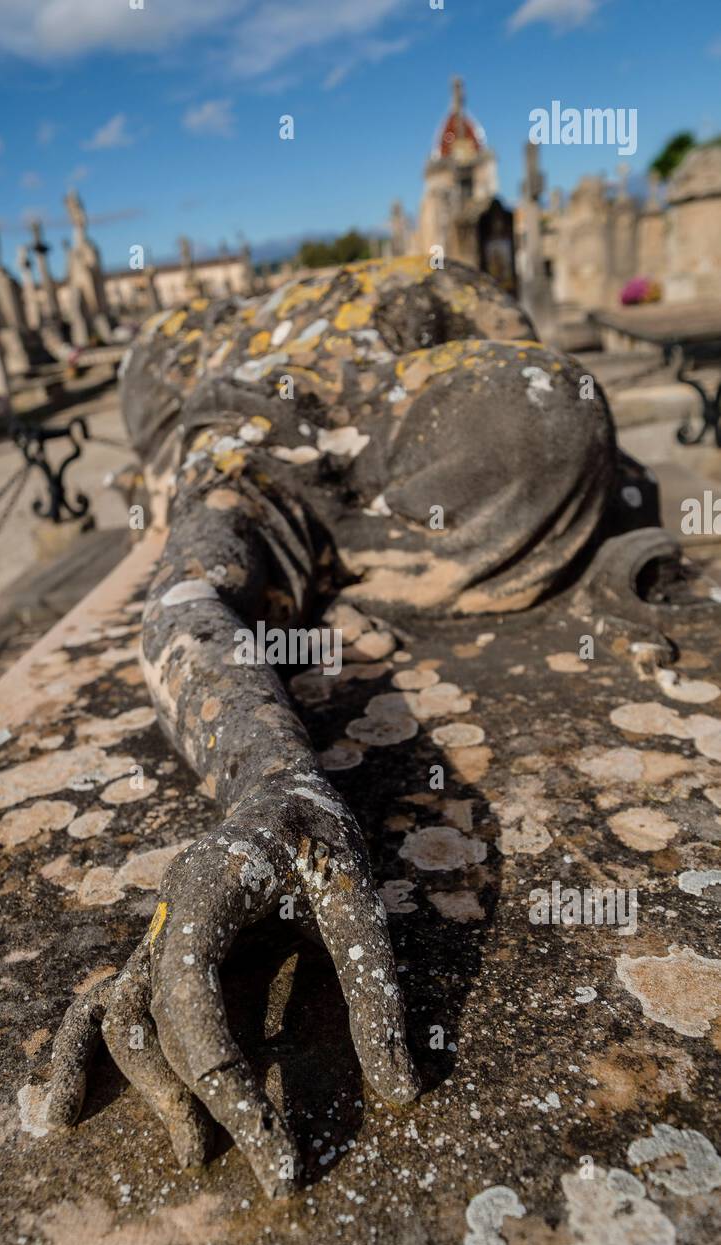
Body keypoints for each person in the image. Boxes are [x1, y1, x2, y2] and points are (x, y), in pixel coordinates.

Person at [45, 255, 672, 1196]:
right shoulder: (205, 392)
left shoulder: (480, 383)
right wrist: (270, 782)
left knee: (550, 404)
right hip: (256, 402)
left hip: (384, 391)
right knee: (549, 404)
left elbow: (194, 591)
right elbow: (190, 598)